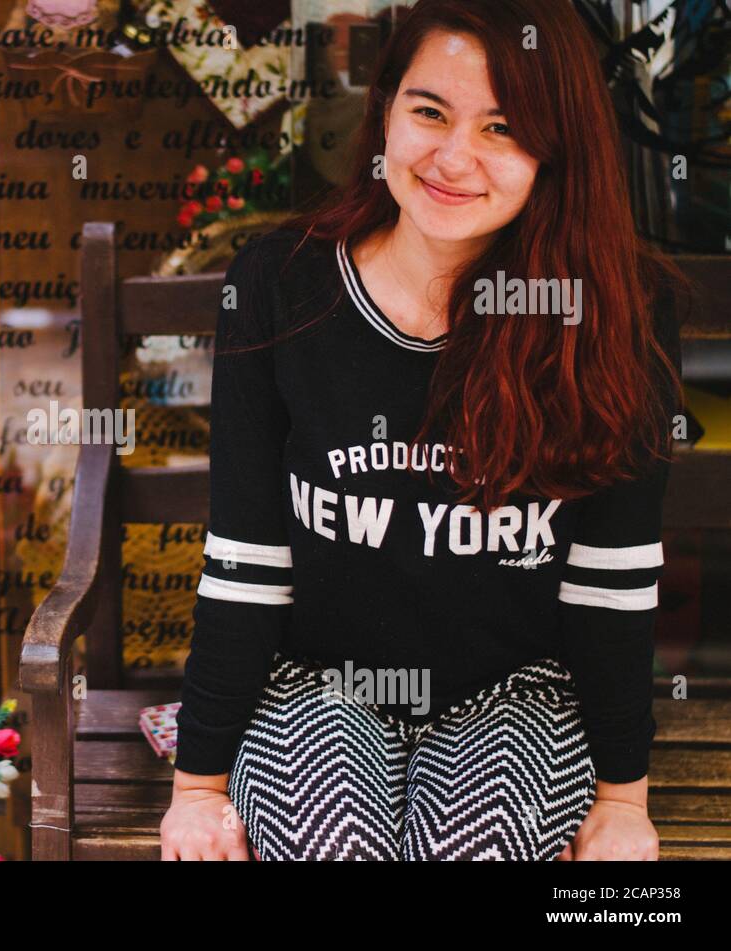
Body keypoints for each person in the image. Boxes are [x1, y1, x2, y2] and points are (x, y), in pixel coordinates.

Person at [160, 0, 688, 861]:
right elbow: (246, 564)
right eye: (429, 111)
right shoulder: (280, 286)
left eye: (503, 127)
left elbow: (609, 583)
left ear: (556, 151)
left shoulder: (615, 310)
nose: (453, 158)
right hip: (320, 688)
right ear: (385, 112)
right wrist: (196, 789)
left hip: (516, 692)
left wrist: (623, 801)